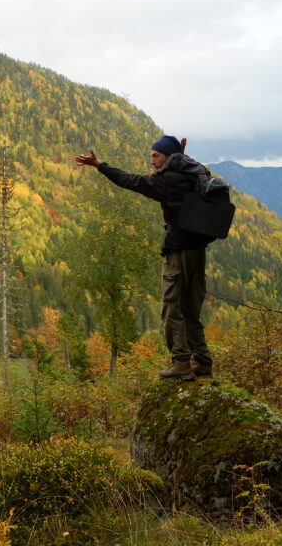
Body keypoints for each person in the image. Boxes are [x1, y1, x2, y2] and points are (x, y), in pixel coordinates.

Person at [75, 135, 213, 381]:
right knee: (191, 308)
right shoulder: (198, 172)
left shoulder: (168, 180)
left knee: (172, 307)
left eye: (155, 156)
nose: (152, 162)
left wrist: (100, 166)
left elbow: (130, 181)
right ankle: (202, 362)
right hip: (198, 249)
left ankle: (181, 362)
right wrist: (179, 154)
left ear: (168, 158)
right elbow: (184, 167)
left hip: (178, 249)